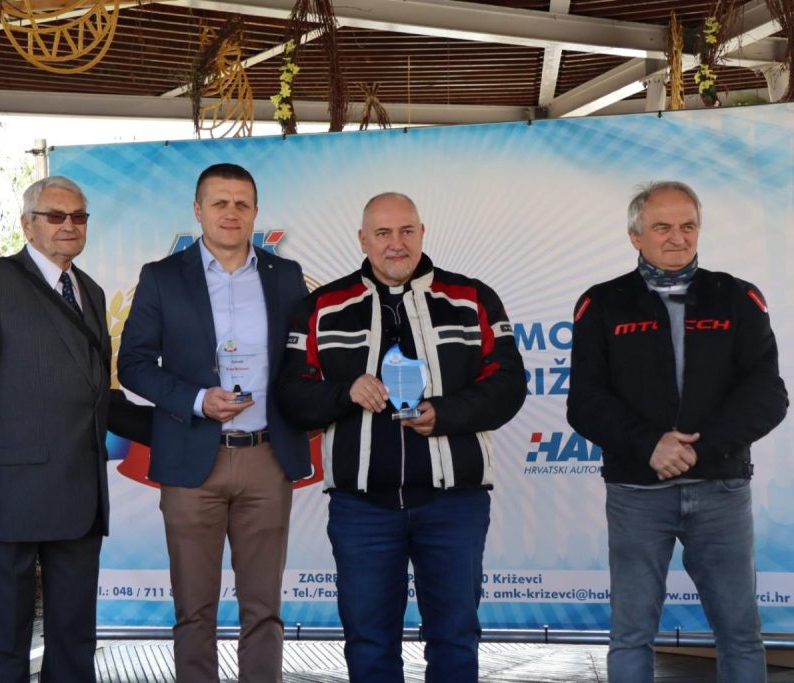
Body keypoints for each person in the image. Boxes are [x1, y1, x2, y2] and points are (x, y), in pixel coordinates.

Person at [276, 192, 526, 683]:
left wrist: (446, 414)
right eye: (383, 233)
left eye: (407, 231)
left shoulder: (473, 298)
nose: (397, 244)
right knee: (369, 641)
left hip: (454, 503)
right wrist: (345, 392)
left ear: (422, 233)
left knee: (455, 636)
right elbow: (291, 395)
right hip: (362, 506)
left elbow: (509, 385)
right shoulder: (322, 306)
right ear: (362, 239)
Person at [567, 181, 788, 683]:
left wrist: (697, 451)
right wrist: (651, 446)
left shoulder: (737, 297)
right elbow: (586, 402)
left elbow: (768, 394)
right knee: (631, 635)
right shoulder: (602, 304)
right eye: (662, 227)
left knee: (740, 634)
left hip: (721, 489)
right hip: (636, 493)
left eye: (688, 226)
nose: (677, 237)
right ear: (635, 236)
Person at [117, 163, 311, 683]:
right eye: (220, 202)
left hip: (267, 458)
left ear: (256, 212)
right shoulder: (161, 276)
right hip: (190, 459)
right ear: (198, 210)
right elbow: (132, 364)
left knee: (264, 610)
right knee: (194, 610)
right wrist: (199, 399)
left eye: (242, 203)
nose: (231, 212)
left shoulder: (285, 276)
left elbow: (303, 360)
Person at [0, 176, 112, 682]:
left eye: (78, 216)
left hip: (80, 497)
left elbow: (95, 395)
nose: (68, 225)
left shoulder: (92, 291)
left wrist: (188, 414)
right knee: (3, 639)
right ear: (27, 224)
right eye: (55, 216)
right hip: (8, 498)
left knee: (75, 640)